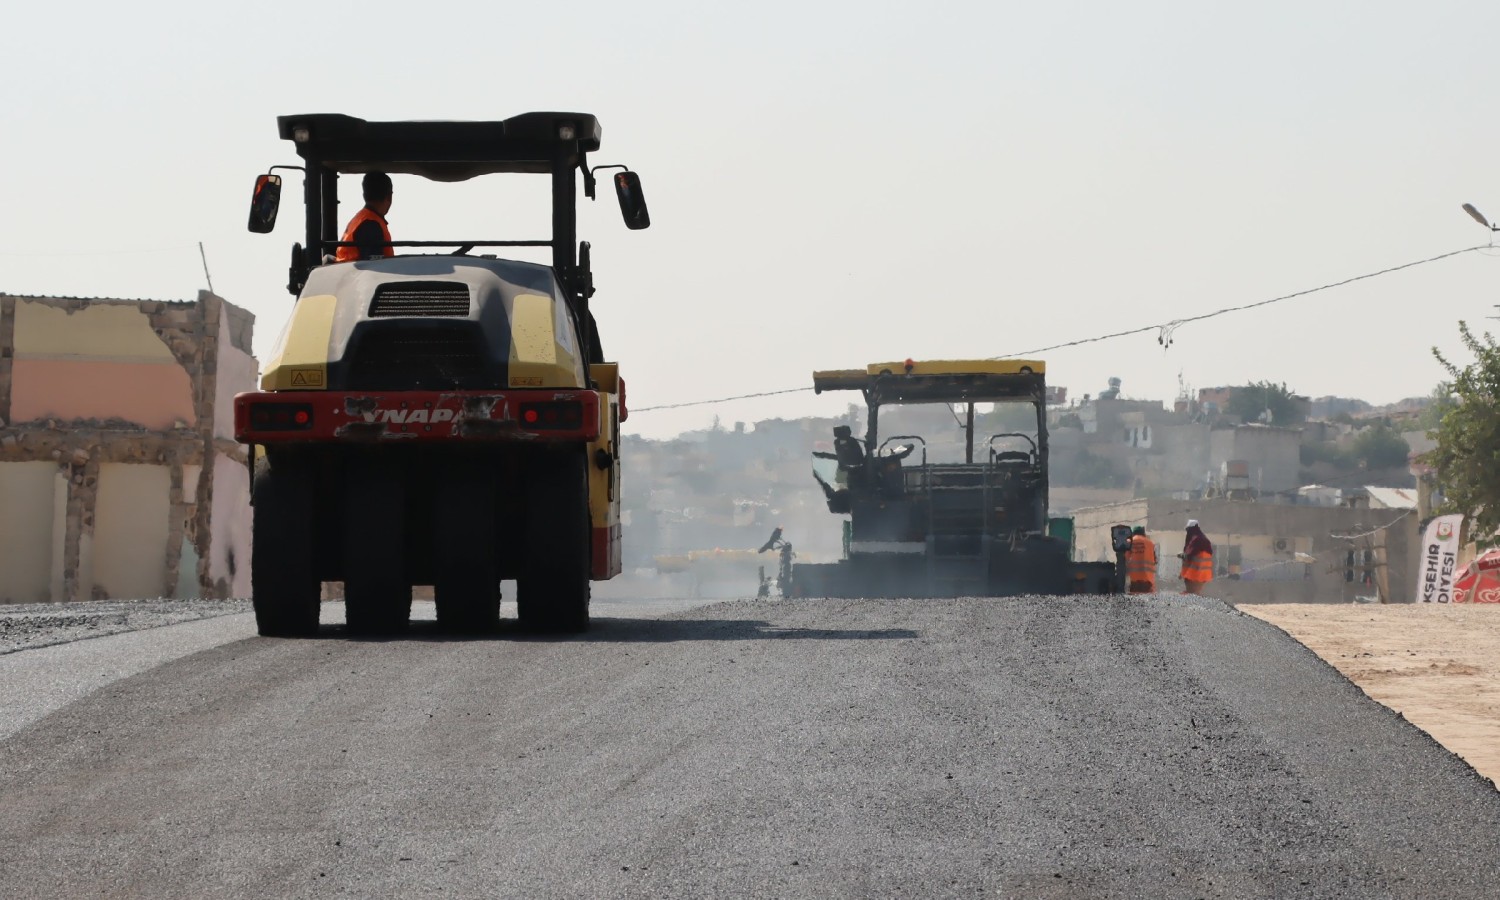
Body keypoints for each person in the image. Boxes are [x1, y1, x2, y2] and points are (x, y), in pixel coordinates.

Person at [335, 172, 395, 262]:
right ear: (389, 196)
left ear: (364, 196)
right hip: (354, 275)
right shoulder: (371, 225)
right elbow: (375, 267)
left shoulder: (361, 219)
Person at [1178, 519, 1214, 595]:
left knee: (1192, 591)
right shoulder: (1203, 539)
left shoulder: (1196, 539)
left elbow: (1190, 554)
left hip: (1195, 572)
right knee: (1196, 591)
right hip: (1204, 573)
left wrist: (1182, 555)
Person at [1124, 525, 1157, 594]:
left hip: (1134, 579)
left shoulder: (1129, 542)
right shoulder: (1150, 543)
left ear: (1134, 533)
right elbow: (1155, 560)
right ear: (1143, 533)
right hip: (1148, 580)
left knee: (1135, 599)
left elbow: (1125, 558)